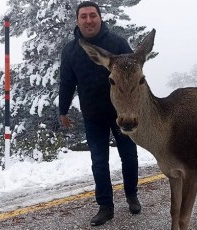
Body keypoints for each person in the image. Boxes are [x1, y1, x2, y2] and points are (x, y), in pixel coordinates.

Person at [58, 1, 141, 226]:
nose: (89, 20)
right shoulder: (71, 51)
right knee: (99, 161)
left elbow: (135, 75)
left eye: (92, 15)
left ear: (100, 18)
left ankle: (132, 195)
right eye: (83, 16)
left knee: (129, 156)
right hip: (93, 115)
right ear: (77, 21)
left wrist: (138, 105)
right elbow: (66, 82)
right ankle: (105, 207)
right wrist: (63, 109)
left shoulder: (117, 43)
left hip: (121, 114)